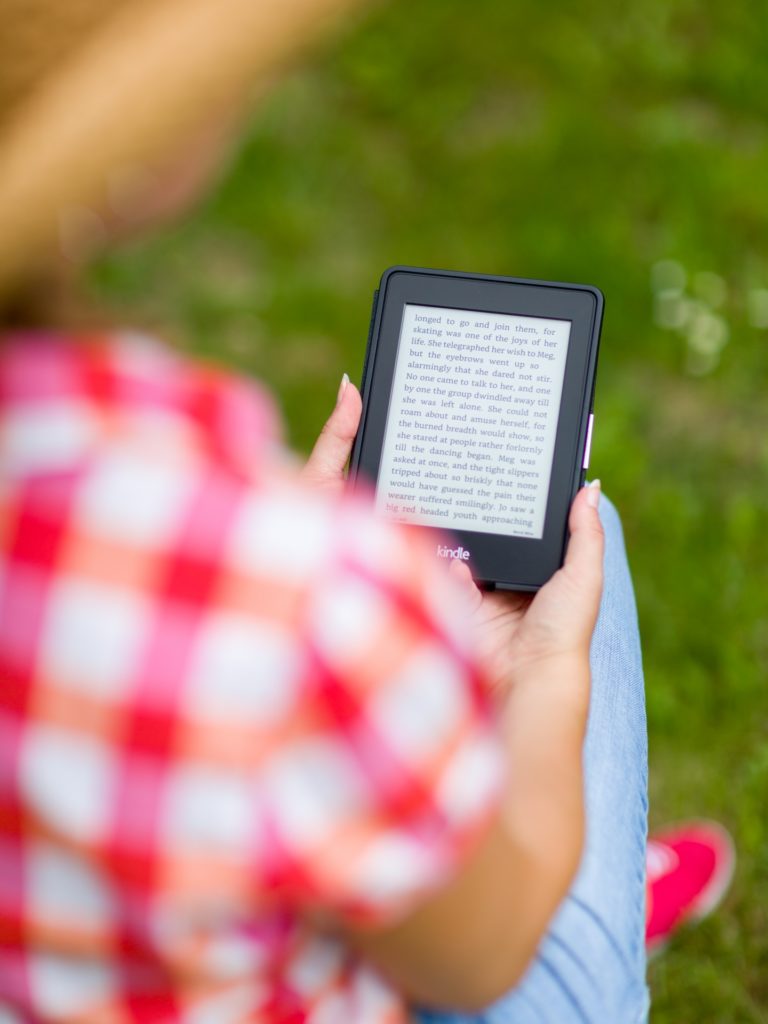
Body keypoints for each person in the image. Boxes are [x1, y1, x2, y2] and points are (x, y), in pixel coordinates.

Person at [0, 2, 732, 1021]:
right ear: (143, 146)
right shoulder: (295, 594)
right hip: (421, 953)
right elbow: (477, 964)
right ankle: (593, 887)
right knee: (583, 536)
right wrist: (549, 675)